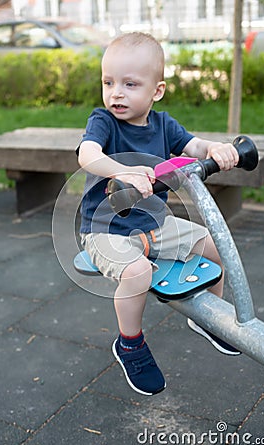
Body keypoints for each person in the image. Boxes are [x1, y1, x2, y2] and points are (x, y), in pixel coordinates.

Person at [76, 32, 240, 397]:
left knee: (218, 245)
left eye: (130, 84)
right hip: (107, 230)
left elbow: (193, 146)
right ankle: (130, 344)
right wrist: (119, 170)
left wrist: (215, 147)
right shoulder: (103, 121)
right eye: (109, 82)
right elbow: (86, 154)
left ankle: (210, 317)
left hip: (155, 224)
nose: (116, 92)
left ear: (157, 91)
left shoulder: (163, 125)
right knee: (137, 273)